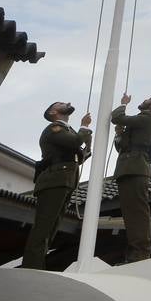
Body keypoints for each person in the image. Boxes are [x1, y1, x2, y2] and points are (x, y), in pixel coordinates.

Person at [23, 101, 92, 270]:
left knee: (52, 228)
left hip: (65, 181)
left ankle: (36, 265)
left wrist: (87, 145)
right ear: (53, 112)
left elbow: (78, 156)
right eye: (61, 103)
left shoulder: (67, 130)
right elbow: (75, 142)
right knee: (44, 227)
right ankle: (32, 267)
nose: (67, 103)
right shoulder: (54, 128)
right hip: (54, 180)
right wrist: (84, 126)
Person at [110, 91, 151, 262]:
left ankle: (140, 253)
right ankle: (135, 252)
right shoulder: (146, 120)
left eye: (149, 98)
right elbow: (123, 146)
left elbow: (117, 117)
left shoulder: (147, 118)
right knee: (131, 213)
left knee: (137, 213)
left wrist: (123, 103)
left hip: (135, 169)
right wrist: (119, 134)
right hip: (130, 167)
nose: (145, 99)